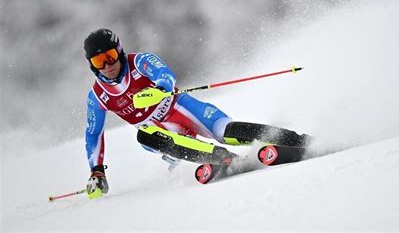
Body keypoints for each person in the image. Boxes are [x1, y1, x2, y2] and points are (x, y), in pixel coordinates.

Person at [84, 28, 313, 199]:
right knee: (145, 135)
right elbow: (94, 134)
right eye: (99, 61)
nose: (107, 65)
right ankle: (219, 157)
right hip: (164, 133)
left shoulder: (140, 61)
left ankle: (298, 140)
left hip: (180, 107)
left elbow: (165, 74)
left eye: (110, 56)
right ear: (92, 65)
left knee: (226, 130)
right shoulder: (97, 96)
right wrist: (97, 171)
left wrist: (160, 90)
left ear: (120, 51)